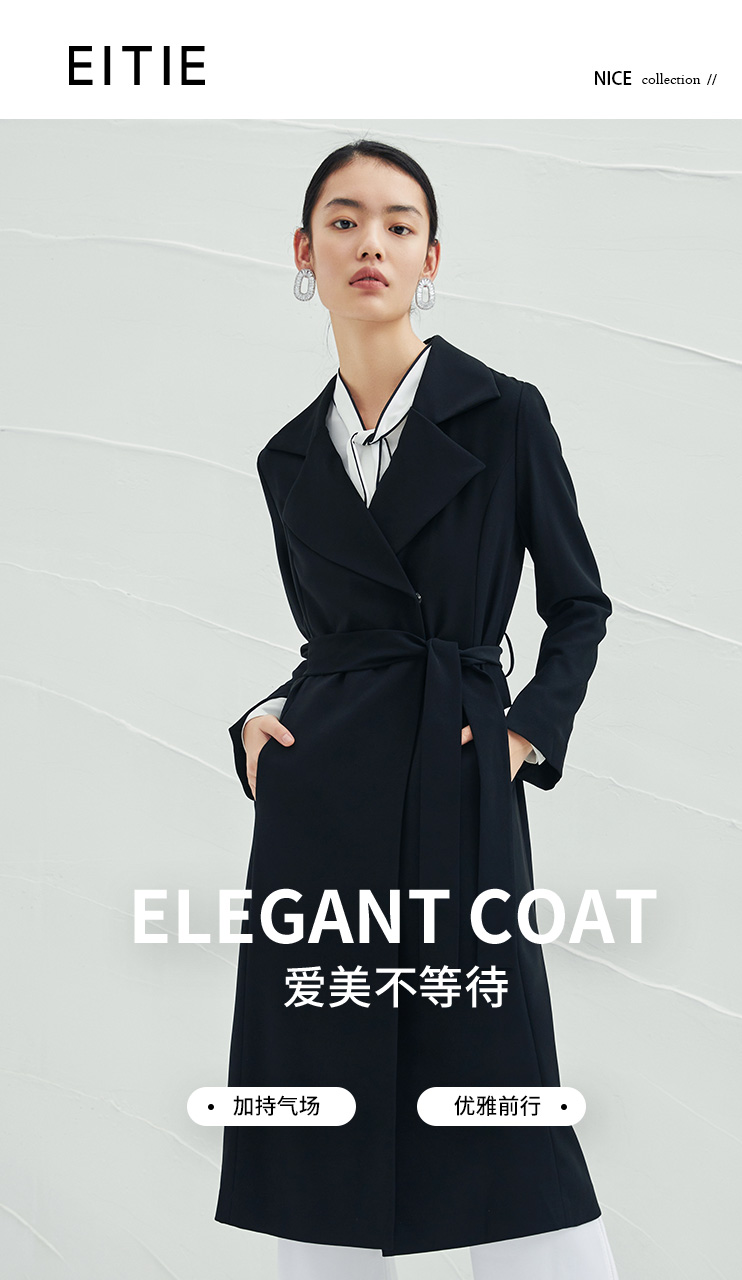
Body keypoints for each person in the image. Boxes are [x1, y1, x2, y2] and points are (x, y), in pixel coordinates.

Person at [214, 139, 618, 1280]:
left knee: (501, 1098)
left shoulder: (503, 413)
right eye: (344, 222)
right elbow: (333, 639)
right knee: (318, 1100)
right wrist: (257, 725)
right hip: (320, 801)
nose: (371, 244)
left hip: (456, 771)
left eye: (398, 225)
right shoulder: (286, 457)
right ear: (304, 252)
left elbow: (579, 605)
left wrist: (523, 734)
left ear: (430, 258)